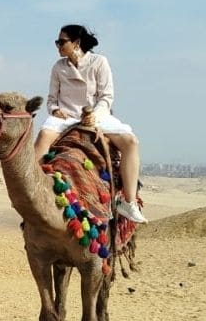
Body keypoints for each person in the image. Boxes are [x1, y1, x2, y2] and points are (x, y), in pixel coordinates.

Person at [33, 24, 147, 224]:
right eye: (57, 42)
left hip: (96, 115)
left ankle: (128, 203)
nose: (58, 46)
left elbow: (106, 96)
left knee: (130, 142)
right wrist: (55, 110)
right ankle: (33, 191)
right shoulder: (59, 67)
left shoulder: (99, 62)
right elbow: (51, 99)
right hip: (65, 116)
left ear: (76, 43)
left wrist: (94, 116)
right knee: (42, 138)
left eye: (62, 42)